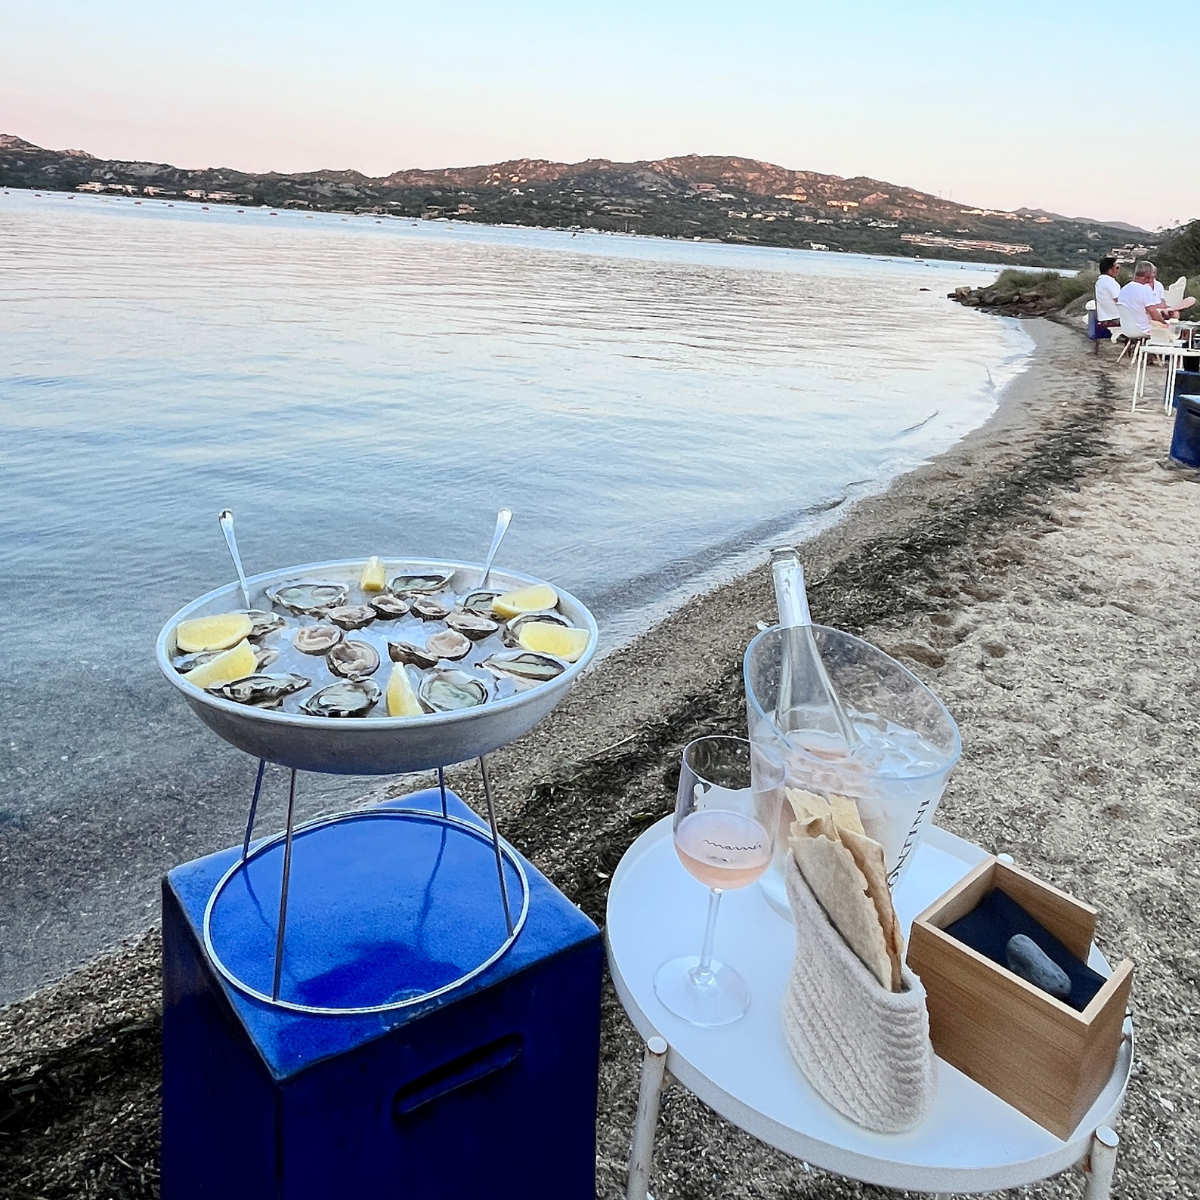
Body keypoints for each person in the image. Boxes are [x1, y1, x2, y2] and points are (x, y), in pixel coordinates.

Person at [1117, 260, 1174, 334]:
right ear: (1148, 276)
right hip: (1145, 329)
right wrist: (1164, 324)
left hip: (1127, 329)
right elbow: (1153, 312)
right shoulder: (1145, 289)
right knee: (1175, 330)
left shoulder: (1123, 289)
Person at [1094, 257, 1121, 335]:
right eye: (1117, 268)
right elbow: (1120, 301)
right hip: (1114, 318)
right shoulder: (1110, 282)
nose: (1118, 271)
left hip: (1103, 318)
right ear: (1110, 270)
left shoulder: (1099, 282)